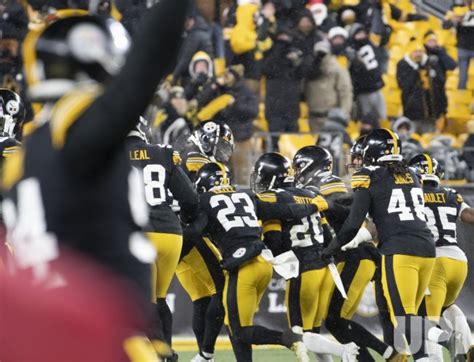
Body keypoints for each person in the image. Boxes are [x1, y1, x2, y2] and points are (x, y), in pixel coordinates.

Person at [2, 0, 189, 345]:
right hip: (96, 326)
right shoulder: (73, 124)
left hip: (47, 324)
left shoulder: (28, 151)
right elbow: (149, 61)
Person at [323, 129, 436, 359]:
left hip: (399, 250)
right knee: (411, 316)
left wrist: (331, 249)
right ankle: (427, 355)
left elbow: (354, 223)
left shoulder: (369, 174)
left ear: (372, 151)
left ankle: (450, 335)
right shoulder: (412, 174)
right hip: (427, 249)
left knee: (403, 318)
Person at [188, 162, 309, 362]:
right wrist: (314, 205)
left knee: (239, 331)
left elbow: (194, 232)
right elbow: (284, 210)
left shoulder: (205, 200)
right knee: (237, 325)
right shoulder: (246, 195)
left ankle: (288, 338)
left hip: (243, 266)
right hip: (263, 264)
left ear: (203, 184)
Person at [293, 144, 401, 362]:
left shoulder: (326, 181)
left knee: (336, 321)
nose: (295, 173)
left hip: (356, 254)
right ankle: (388, 353)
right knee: (338, 322)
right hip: (354, 255)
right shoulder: (317, 185)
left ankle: (390, 353)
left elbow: (348, 209)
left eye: (298, 167)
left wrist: (327, 205)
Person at [252, 152, 360, 362]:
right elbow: (328, 235)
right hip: (325, 268)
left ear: (271, 177)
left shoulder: (273, 197)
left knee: (299, 333)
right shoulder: (310, 194)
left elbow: (274, 241)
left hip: (303, 268)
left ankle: (345, 351)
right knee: (313, 333)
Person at [125, 116, 198, 352]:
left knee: (144, 303)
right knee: (160, 299)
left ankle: (161, 355)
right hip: (171, 233)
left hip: (140, 233)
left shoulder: (113, 157)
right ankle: (167, 352)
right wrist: (186, 219)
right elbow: (189, 198)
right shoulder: (163, 153)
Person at [409, 154, 474, 361]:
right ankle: (466, 346)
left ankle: (452, 348)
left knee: (427, 324)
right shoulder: (451, 193)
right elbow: (469, 217)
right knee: (447, 307)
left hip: (434, 261)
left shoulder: (411, 194)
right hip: (458, 262)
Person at [263, 27, 309, 150]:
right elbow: (266, 69)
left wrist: (297, 59)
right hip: (274, 110)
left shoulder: (295, 57)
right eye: (281, 38)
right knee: (275, 147)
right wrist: (279, 48)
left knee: (293, 146)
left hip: (291, 110)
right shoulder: (271, 55)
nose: (284, 40)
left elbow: (304, 71)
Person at [397, 37, 448, 132]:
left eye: (420, 51)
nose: (418, 54)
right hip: (413, 110)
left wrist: (442, 108)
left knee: (429, 136)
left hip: (431, 110)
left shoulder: (431, 63)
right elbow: (404, 85)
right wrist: (416, 71)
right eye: (415, 52)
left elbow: (440, 85)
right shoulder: (403, 65)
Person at [304, 40, 353, 132]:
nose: (320, 56)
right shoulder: (310, 70)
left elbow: (345, 92)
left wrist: (344, 113)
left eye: (323, 53)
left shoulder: (337, 68)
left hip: (331, 116)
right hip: (313, 115)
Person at [347, 24, 386, 130]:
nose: (361, 36)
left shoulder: (371, 45)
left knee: (382, 117)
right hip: (363, 91)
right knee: (367, 119)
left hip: (377, 88)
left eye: (363, 33)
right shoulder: (351, 50)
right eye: (358, 34)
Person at [442, 1, 474, 90]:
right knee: (462, 78)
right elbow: (445, 25)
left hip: (464, 46)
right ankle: (461, 99)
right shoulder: (455, 7)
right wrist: (454, 19)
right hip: (463, 47)